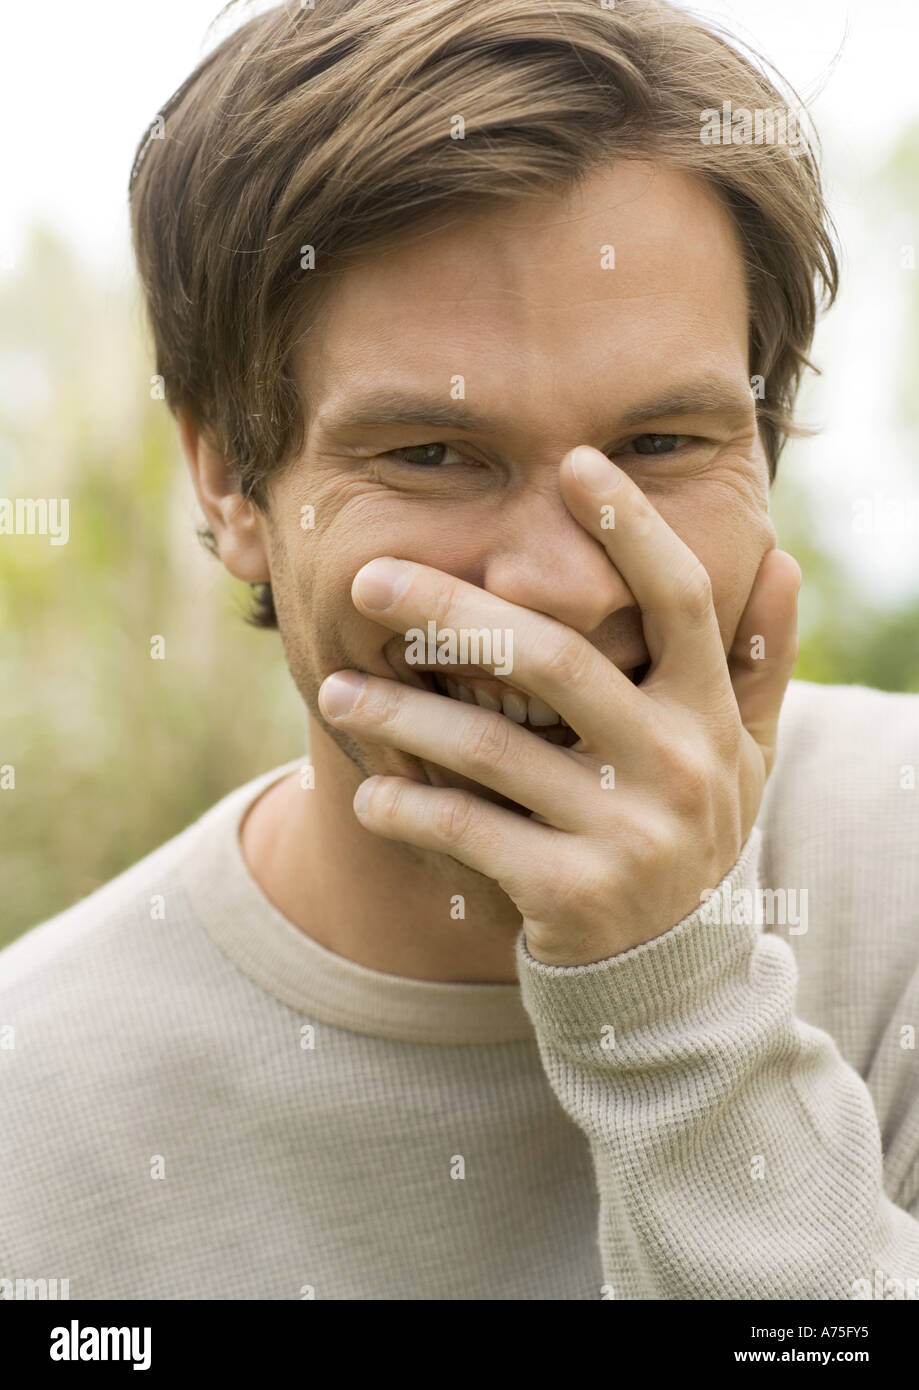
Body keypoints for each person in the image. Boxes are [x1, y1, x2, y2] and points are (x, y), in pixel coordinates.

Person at [2, 0, 918, 1301]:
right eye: (432, 456)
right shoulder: (30, 1119)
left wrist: (672, 996)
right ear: (225, 483)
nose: (558, 585)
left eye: (662, 444)